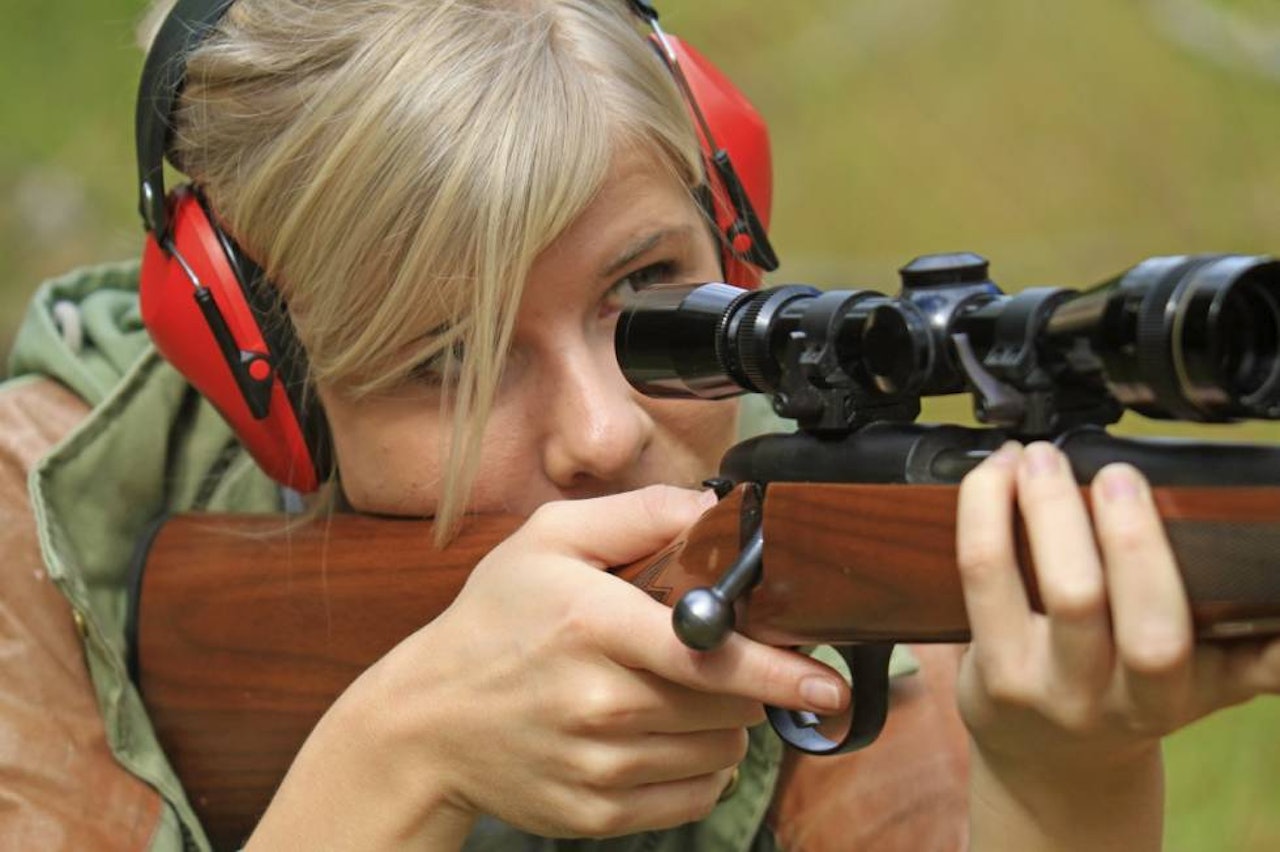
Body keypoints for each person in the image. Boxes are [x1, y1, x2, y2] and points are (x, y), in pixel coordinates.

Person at [1, 0, 1276, 850]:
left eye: (647, 293)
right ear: (266, 397)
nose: (605, 433)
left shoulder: (837, 566)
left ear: (726, 226)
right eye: (442, 361)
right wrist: (399, 761)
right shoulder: (37, 549)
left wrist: (1061, 777)